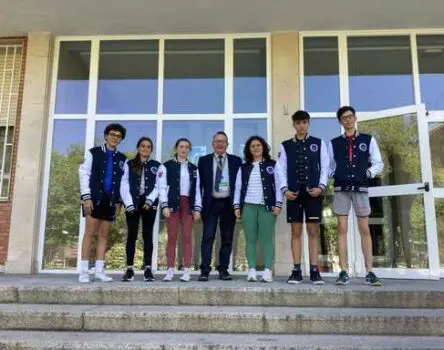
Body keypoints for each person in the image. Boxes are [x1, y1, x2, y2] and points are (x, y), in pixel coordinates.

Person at [329, 106, 384, 286]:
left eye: (350, 116)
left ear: (355, 118)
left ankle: (369, 271)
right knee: (342, 229)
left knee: (365, 229)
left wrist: (367, 174)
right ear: (340, 122)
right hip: (341, 189)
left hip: (360, 188)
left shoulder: (368, 139)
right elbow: (329, 166)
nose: (348, 120)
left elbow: (378, 163)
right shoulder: (334, 142)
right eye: (344, 118)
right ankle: (343, 271)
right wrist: (334, 175)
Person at [276, 110, 329, 285]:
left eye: (304, 122)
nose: (301, 126)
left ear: (308, 123)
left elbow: (325, 167)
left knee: (313, 232)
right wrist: (284, 190)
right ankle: (296, 270)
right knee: (295, 232)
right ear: (294, 125)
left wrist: (321, 187)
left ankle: (314, 270)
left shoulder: (318, 143)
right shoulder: (286, 145)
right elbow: (280, 170)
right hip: (294, 195)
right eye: (298, 123)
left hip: (313, 194)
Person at [78, 123, 127, 283]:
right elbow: (84, 174)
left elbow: (123, 182)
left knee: (104, 234)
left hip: (110, 200)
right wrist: (86, 197)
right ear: (106, 136)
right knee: (89, 232)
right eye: (112, 134)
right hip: (93, 198)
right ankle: (84, 271)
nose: (115, 138)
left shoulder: (122, 159)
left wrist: (120, 201)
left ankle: (99, 270)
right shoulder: (94, 153)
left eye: (118, 136)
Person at [233, 136, 282, 282]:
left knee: (267, 239)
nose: (256, 148)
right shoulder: (244, 167)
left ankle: (267, 270)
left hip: (267, 207)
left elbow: (279, 185)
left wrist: (278, 204)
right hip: (248, 207)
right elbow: (238, 187)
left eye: (258, 145)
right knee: (250, 240)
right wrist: (237, 205)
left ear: (263, 147)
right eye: (252, 146)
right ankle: (252, 270)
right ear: (249, 149)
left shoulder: (273, 165)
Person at [197, 132, 242, 281]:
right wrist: (198, 206)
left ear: (227, 144)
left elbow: (240, 185)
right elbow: (199, 185)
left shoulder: (236, 161)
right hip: (211, 204)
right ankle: (204, 270)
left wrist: (238, 205)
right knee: (208, 237)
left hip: (228, 204)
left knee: (227, 238)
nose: (220, 144)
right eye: (217, 141)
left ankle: (223, 269)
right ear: (212, 144)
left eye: (223, 141)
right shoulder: (203, 161)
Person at [158, 138, 202, 282]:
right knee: (171, 237)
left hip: (187, 204)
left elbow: (197, 189)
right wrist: (164, 205)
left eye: (187, 147)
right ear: (176, 148)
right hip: (172, 204)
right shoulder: (166, 166)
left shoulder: (194, 168)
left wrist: (197, 208)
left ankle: (187, 270)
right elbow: (162, 187)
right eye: (181, 146)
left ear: (189, 150)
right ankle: (170, 270)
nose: (183, 149)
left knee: (187, 237)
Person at [120, 137, 160, 282]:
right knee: (131, 235)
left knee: (147, 236)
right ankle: (129, 269)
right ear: (138, 148)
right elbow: (124, 184)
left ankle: (148, 269)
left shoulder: (157, 165)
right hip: (132, 202)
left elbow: (159, 186)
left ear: (151, 150)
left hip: (149, 203)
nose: (145, 149)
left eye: (148, 147)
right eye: (142, 146)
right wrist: (128, 203)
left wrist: (150, 200)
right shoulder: (129, 164)